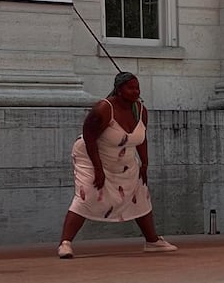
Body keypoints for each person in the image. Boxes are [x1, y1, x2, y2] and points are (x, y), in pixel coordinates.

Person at [58, 71, 178, 257]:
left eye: (137, 88)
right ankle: (65, 244)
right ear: (119, 90)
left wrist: (145, 164)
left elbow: (142, 139)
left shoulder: (140, 110)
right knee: (87, 194)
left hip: (123, 157)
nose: (136, 91)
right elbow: (89, 139)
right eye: (131, 88)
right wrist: (98, 169)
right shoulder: (103, 109)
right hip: (91, 156)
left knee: (139, 193)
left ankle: (152, 241)